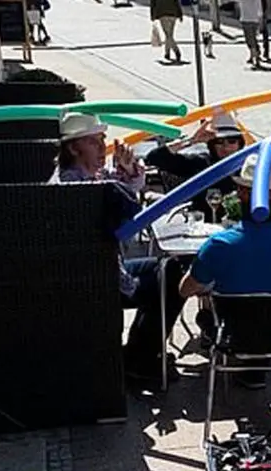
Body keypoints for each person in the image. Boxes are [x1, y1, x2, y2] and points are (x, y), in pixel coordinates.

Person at [49, 113, 188, 385]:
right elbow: (127, 214)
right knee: (174, 277)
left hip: (105, 269)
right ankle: (142, 357)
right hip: (100, 281)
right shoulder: (75, 189)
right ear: (73, 147)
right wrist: (125, 181)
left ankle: (140, 352)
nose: (103, 148)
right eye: (93, 142)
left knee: (168, 268)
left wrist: (126, 169)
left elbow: (123, 185)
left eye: (102, 139)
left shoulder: (82, 177)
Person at [180, 152, 271, 389]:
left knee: (208, 311)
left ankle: (245, 373)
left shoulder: (221, 245)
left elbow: (185, 290)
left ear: (241, 193)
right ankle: (255, 375)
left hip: (236, 336)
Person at [144, 111, 247, 222]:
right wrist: (192, 140)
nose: (225, 147)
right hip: (204, 228)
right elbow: (154, 158)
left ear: (239, 143)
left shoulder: (250, 165)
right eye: (219, 142)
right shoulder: (201, 163)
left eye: (231, 141)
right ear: (212, 145)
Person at [238, 0, 264, 69]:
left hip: (246, 20)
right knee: (253, 39)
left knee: (250, 40)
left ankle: (256, 59)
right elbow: (260, 9)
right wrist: (260, 21)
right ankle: (254, 56)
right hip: (254, 20)